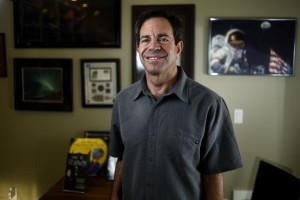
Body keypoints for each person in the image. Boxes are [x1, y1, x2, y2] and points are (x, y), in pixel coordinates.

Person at [109, 9, 243, 200]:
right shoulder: (122, 101)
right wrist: (114, 196)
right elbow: (123, 159)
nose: (153, 46)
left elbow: (212, 175)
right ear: (138, 48)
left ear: (178, 48)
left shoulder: (210, 104)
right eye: (146, 39)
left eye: (163, 38)